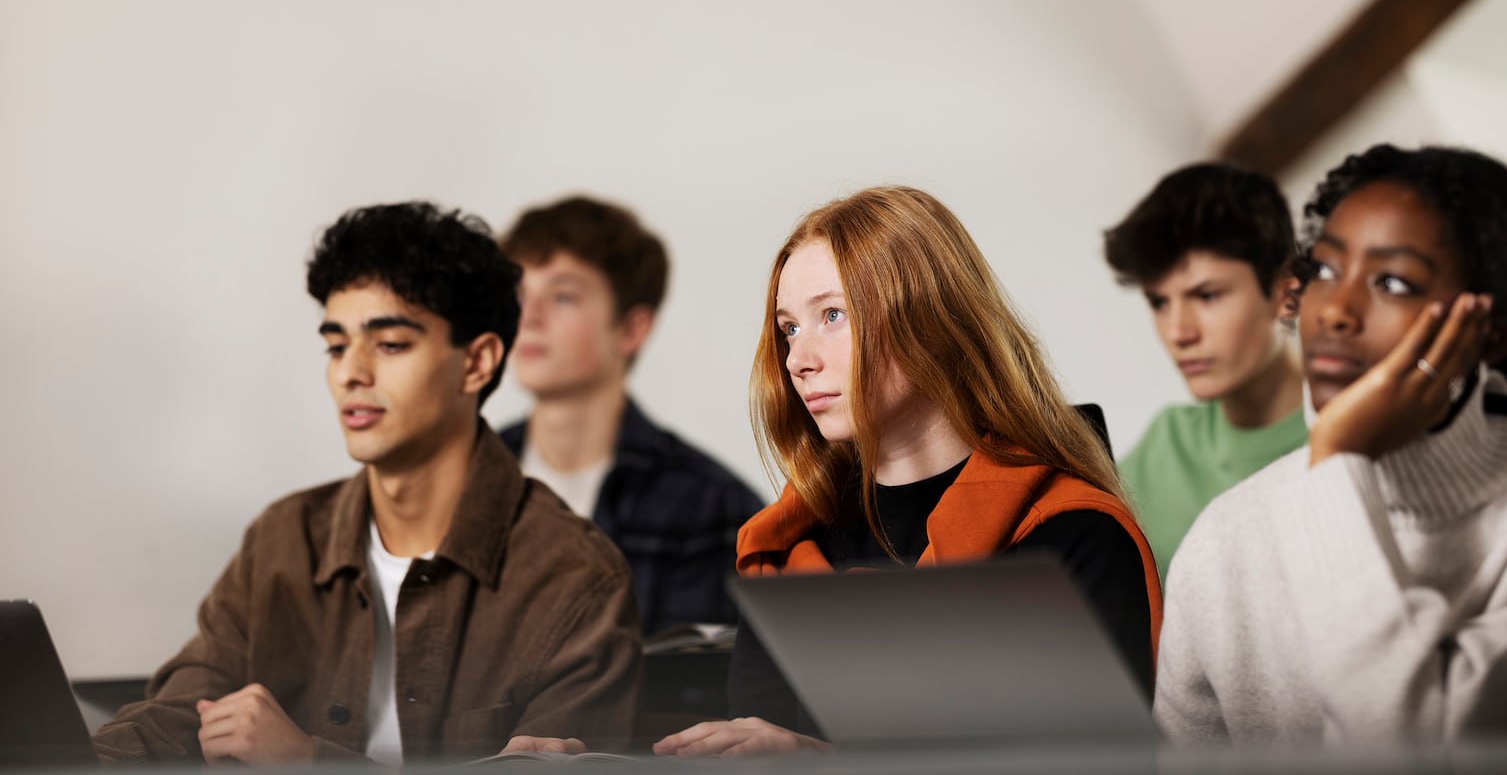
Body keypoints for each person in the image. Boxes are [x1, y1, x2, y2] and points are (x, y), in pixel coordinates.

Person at [93, 203, 641, 765]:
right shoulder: (282, 539)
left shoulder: (578, 580)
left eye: (390, 344)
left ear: (477, 362)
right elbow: (178, 712)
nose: (350, 372)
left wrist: (312, 762)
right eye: (336, 345)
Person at [650, 186, 1163, 757]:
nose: (798, 359)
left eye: (833, 315)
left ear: (928, 319)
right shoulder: (784, 546)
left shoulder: (1075, 536)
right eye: (790, 327)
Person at [1156, 145, 1507, 745]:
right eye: (1325, 271)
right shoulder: (1224, 537)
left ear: (1489, 332)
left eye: (1392, 282)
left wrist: (1338, 460)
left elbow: (1403, 744)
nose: (1336, 309)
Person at [497, 197, 764, 635]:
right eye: (518, 293)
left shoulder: (715, 508)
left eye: (563, 295)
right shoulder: (461, 479)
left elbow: (716, 689)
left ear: (632, 329)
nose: (528, 316)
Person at [1103, 162, 1306, 580]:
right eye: (1159, 302)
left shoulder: (1375, 426)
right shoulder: (1164, 449)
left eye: (1207, 295)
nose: (1179, 331)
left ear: (1288, 292)